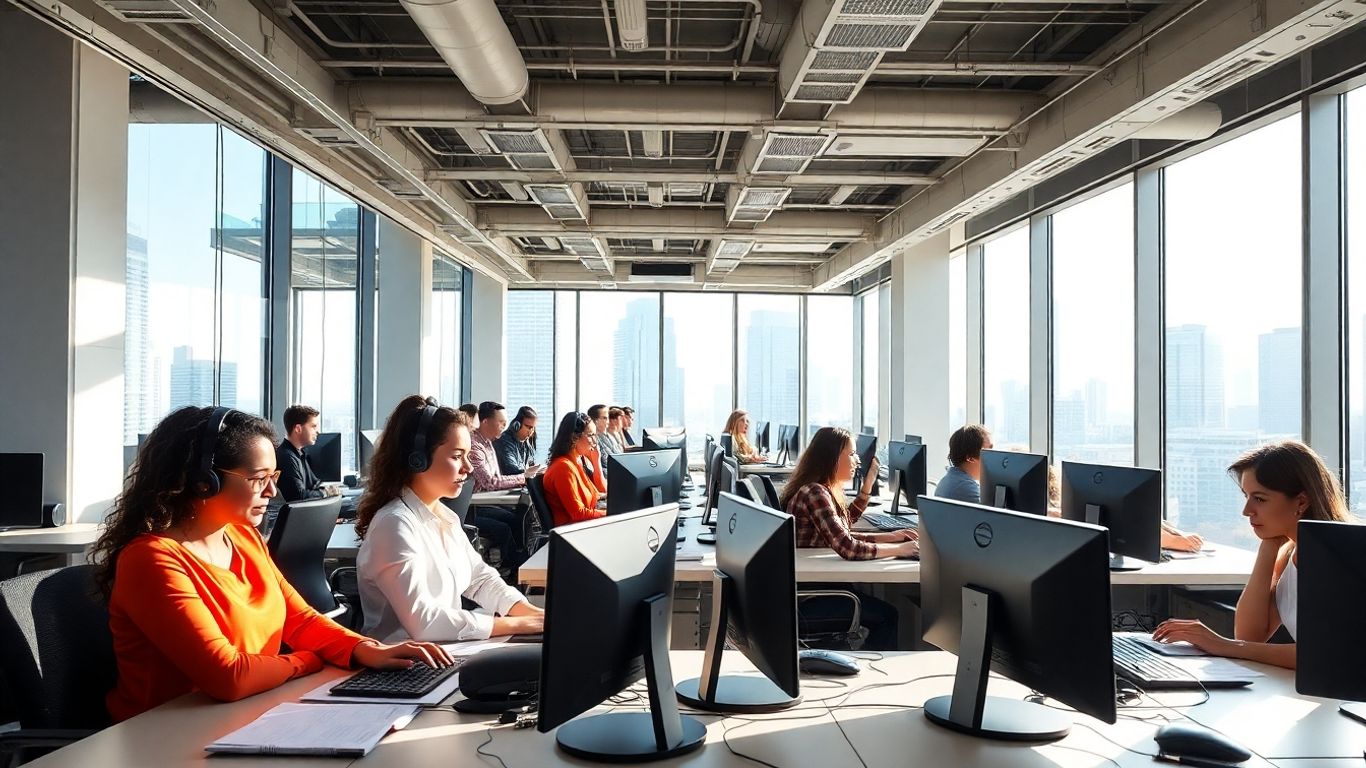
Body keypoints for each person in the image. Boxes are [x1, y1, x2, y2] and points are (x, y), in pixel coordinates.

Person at [94, 406, 449, 723]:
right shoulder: (152, 559)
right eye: (257, 479)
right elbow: (229, 676)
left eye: (273, 478)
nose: (271, 493)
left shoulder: (243, 538)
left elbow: (299, 619)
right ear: (204, 481)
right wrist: (308, 662)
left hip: (248, 713)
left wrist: (364, 649)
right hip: (165, 735)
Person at [355, 397, 543, 643]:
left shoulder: (445, 517)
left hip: (446, 653)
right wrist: (517, 623)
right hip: (404, 669)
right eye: (457, 456)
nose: (469, 467)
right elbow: (425, 622)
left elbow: (479, 579)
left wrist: (533, 613)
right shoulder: (394, 524)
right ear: (417, 459)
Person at [1152, 440, 1352, 669]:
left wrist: (1222, 645)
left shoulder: (1337, 558)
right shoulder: (1290, 552)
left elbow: (1324, 654)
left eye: (1259, 499)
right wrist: (1268, 547)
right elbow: (1250, 635)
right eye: (1246, 496)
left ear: (1302, 501)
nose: (1246, 511)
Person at [779, 426, 917, 650]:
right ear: (832, 457)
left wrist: (893, 536)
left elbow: (840, 528)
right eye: (851, 454)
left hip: (815, 589)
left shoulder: (818, 489)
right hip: (813, 597)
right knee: (887, 616)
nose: (857, 461)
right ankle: (872, 672)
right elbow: (848, 548)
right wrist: (900, 550)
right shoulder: (815, 493)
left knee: (882, 610)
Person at [468, 401, 541, 569]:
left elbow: (496, 478)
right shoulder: (474, 446)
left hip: (483, 502)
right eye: (501, 422)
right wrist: (523, 477)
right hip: (472, 508)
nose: (505, 426)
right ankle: (517, 572)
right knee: (505, 529)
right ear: (485, 422)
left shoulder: (487, 443)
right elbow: (490, 482)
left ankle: (523, 568)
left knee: (519, 520)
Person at [542, 411, 608, 527]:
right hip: (572, 533)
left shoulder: (577, 461)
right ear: (574, 438)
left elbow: (597, 494)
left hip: (585, 526)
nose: (595, 441)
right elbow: (578, 514)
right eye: (591, 435)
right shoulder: (563, 467)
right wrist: (612, 513)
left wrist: (596, 461)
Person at [274, 404, 339, 503]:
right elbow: (298, 496)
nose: (318, 432)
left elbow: (314, 484)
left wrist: (328, 489)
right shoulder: (286, 457)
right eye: (313, 426)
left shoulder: (300, 453)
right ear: (298, 429)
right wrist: (325, 493)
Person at [935, 425, 992, 504]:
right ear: (970, 458)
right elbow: (995, 515)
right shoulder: (965, 487)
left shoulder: (951, 479)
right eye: (990, 450)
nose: (994, 455)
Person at [494, 405, 538, 476]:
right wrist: (530, 473)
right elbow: (511, 470)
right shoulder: (504, 442)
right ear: (517, 425)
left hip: (519, 484)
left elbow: (530, 465)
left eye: (532, 428)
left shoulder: (526, 443)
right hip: (507, 485)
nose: (531, 431)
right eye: (528, 427)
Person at [587, 404, 620, 476]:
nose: (608, 422)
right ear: (595, 421)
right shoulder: (590, 442)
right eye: (605, 418)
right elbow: (596, 469)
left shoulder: (609, 437)